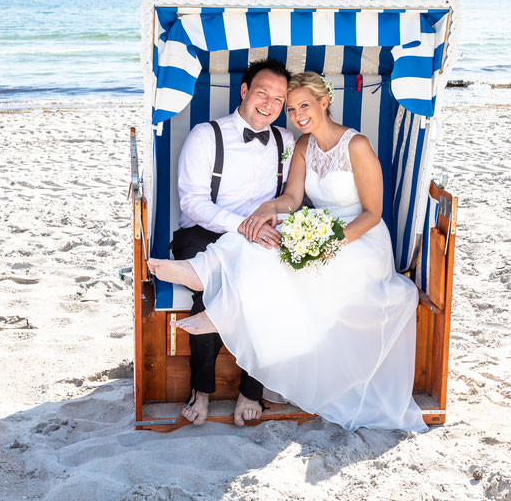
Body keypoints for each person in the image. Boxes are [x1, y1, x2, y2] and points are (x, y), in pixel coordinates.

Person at [149, 72, 426, 432]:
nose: (296, 115)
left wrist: (330, 242)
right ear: (245, 92)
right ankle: (202, 275)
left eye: (301, 105)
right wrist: (265, 212)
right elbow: (292, 199)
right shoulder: (300, 145)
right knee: (261, 243)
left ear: (324, 102)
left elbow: (373, 214)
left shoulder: (356, 145)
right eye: (292, 109)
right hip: (311, 227)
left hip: (359, 240)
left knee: (274, 257)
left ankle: (220, 311)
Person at [169, 58, 295, 426]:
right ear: (244, 91)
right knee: (211, 288)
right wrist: (243, 226)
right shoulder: (205, 135)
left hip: (260, 234)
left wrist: (271, 226)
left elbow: (291, 196)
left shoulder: (286, 141)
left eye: (278, 98)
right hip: (204, 230)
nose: (269, 104)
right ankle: (202, 389)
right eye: (262, 93)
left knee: (274, 287)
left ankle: (251, 390)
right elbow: (192, 202)